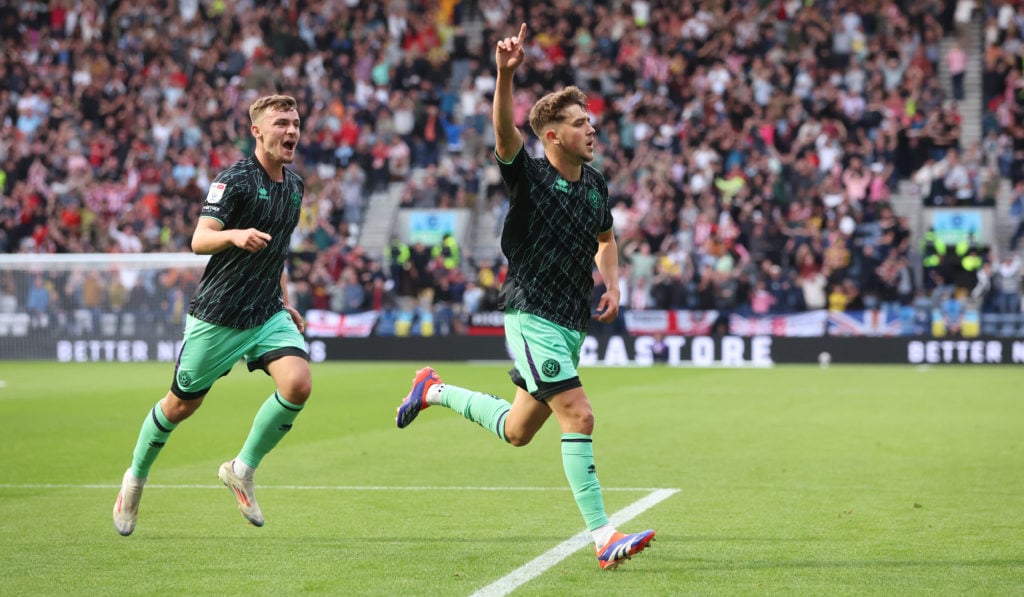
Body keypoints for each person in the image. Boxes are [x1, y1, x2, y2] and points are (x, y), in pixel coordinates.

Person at [394, 24, 655, 570]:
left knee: (517, 431)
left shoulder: (596, 183)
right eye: (581, 123)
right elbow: (504, 135)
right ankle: (602, 535)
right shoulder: (529, 176)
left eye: (589, 119)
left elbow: (606, 239)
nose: (592, 128)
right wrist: (505, 75)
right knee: (578, 416)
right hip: (531, 312)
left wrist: (612, 282)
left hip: (569, 321)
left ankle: (432, 389)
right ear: (554, 135)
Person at [113, 95, 311, 536]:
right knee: (181, 405)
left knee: (298, 383)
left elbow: (275, 253)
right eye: (282, 123)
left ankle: (242, 469)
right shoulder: (235, 180)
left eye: (296, 123)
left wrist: (284, 299)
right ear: (257, 131)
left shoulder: (295, 186)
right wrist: (236, 235)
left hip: (264, 313)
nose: (292, 131)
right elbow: (199, 240)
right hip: (218, 316)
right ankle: (135, 478)